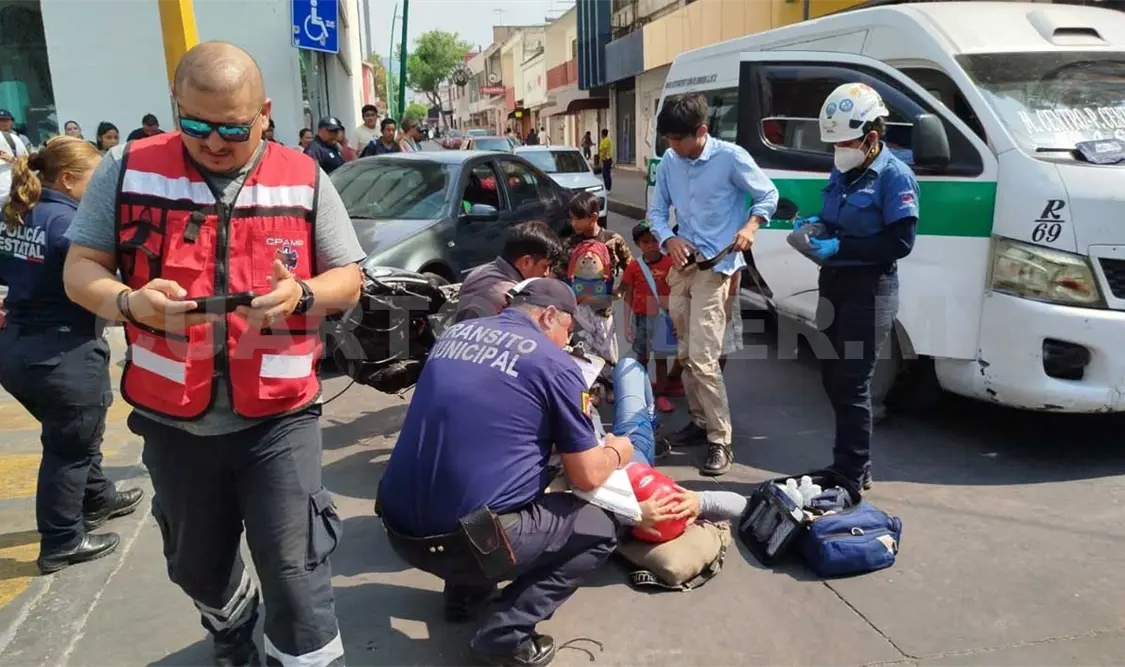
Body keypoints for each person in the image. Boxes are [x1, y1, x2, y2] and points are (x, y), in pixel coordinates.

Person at [62, 41, 365, 667]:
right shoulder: (128, 168)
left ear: (265, 113)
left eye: (232, 127)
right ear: (175, 107)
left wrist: (303, 293)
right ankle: (232, 633)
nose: (214, 142)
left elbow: (350, 279)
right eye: (195, 125)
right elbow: (80, 268)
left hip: (280, 419)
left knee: (298, 574)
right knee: (197, 566)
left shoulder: (304, 177)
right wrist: (128, 301)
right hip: (174, 424)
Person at [377, 278, 631, 667]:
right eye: (567, 329)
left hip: (397, 529)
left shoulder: (454, 335)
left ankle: (464, 596)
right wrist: (616, 450)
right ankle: (503, 637)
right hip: (467, 542)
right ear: (548, 316)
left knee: (480, 474)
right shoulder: (555, 363)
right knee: (599, 528)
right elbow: (587, 475)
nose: (568, 341)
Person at [0, 136, 144, 574]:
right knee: (70, 447)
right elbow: (100, 290)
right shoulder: (70, 225)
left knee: (74, 432)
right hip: (63, 351)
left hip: (18, 348)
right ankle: (62, 539)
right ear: (67, 179)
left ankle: (98, 496)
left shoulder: (16, 213)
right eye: (94, 180)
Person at [648, 92, 778, 477]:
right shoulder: (671, 161)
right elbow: (656, 212)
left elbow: (768, 194)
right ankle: (700, 421)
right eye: (668, 141)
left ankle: (721, 440)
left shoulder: (731, 158)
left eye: (678, 140)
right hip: (682, 268)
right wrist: (668, 240)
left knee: (704, 359)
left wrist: (750, 226)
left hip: (717, 269)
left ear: (701, 131)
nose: (672, 148)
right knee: (686, 355)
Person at [803, 82, 919, 491]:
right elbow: (834, 215)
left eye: (845, 143)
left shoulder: (895, 177)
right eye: (834, 145)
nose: (838, 152)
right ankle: (848, 462)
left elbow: (899, 243)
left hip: (868, 292)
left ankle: (852, 472)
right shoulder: (844, 169)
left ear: (872, 137)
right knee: (832, 376)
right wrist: (816, 226)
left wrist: (842, 244)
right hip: (833, 285)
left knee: (852, 381)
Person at [566, 192, 631, 368]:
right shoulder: (571, 243)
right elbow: (559, 273)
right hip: (578, 311)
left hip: (602, 311)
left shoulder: (612, 240)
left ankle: (610, 391)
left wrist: (621, 289)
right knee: (580, 357)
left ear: (594, 216)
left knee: (608, 357)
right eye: (571, 218)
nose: (573, 223)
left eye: (578, 219)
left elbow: (632, 268)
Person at [618, 221, 676, 413]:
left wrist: (676, 319)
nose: (651, 245)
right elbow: (628, 296)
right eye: (645, 241)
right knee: (641, 358)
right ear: (638, 244)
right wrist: (626, 325)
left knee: (661, 359)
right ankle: (639, 393)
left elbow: (677, 293)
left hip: (663, 319)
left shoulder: (670, 264)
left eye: (654, 240)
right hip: (641, 319)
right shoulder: (634, 267)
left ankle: (661, 394)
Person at [456, 220, 564, 322]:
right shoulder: (512, 299)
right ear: (526, 262)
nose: (546, 273)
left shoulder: (479, 272)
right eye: (545, 266)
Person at [0, 109, 30, 208]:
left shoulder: (17, 139)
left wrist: (12, 160)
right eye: (0, 120)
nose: (3, 123)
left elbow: (28, 164)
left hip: (14, 191)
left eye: (6, 120)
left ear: (11, 121)